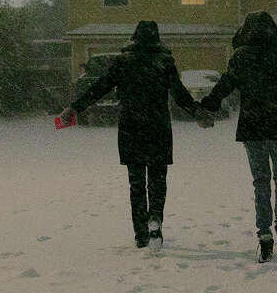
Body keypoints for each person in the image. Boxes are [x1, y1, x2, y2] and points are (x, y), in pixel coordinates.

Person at [59, 21, 210, 249]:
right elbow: (179, 93)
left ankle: (141, 234)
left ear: (134, 37)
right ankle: (155, 218)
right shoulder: (164, 62)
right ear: (157, 39)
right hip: (158, 126)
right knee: (157, 180)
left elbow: (100, 87)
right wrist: (197, 112)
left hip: (131, 127)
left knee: (136, 183)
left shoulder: (123, 62)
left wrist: (75, 108)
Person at [199, 11, 277, 263]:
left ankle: (264, 232)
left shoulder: (242, 57)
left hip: (253, 125)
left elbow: (225, 85)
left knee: (261, 180)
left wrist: (206, 107)